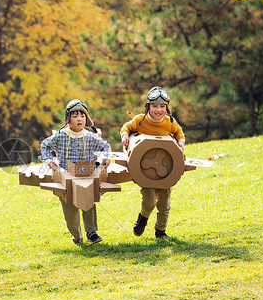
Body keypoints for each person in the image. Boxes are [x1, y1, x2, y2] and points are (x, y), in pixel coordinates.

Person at [40, 99, 111, 244]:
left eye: (82, 116)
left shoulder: (90, 137)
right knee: (70, 211)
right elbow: (44, 145)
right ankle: (77, 236)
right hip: (66, 178)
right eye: (75, 116)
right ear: (68, 120)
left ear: (87, 119)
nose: (79, 119)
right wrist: (49, 160)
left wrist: (105, 157)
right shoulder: (60, 136)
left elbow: (106, 146)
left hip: (86, 177)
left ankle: (91, 232)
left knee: (89, 204)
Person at [120, 86, 185, 239]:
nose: (158, 110)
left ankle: (160, 231)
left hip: (166, 169)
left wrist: (181, 142)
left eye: (162, 106)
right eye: (155, 106)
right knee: (149, 202)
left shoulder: (169, 121)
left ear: (167, 108)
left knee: (164, 203)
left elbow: (179, 132)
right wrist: (125, 136)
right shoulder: (140, 120)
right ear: (148, 106)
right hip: (145, 170)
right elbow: (126, 127)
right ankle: (143, 218)